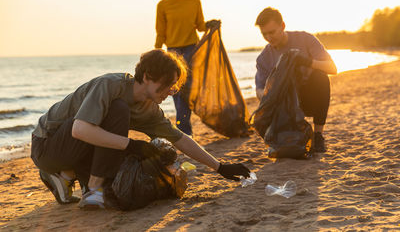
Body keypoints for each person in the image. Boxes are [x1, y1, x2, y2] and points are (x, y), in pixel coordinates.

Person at [31, 49, 250, 210]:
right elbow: (79, 130)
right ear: (146, 77)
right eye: (166, 85)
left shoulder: (149, 109)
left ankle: (67, 175)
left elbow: (179, 138)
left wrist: (220, 167)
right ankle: (91, 189)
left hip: (74, 150)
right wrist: (132, 144)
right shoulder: (111, 85)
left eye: (173, 86)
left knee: (127, 154)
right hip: (47, 146)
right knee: (118, 111)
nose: (169, 92)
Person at [254, 7, 337, 153]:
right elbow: (259, 91)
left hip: (307, 99)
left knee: (321, 78)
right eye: (264, 34)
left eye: (272, 32)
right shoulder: (263, 58)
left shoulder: (305, 39)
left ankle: (318, 136)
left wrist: (307, 62)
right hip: (283, 105)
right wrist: (273, 91)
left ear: (283, 26)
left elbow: (332, 68)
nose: (269, 37)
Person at [155, 0, 218, 137]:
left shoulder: (194, 0)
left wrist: (209, 25)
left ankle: (185, 129)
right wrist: (156, 52)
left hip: (192, 49)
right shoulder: (162, 5)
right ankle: (185, 130)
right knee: (177, 89)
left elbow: (200, 25)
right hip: (173, 52)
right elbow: (160, 32)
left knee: (189, 88)